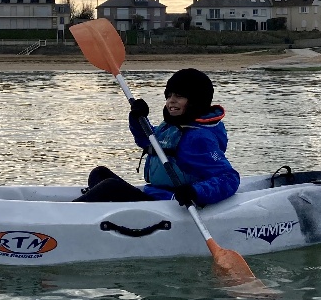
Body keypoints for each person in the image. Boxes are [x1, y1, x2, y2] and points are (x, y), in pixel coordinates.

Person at [75, 68, 240, 207]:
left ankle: (69, 215)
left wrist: (195, 192)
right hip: (154, 196)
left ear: (196, 101)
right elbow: (147, 141)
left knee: (110, 187)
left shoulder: (199, 138)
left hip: (171, 204)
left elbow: (229, 177)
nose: (171, 101)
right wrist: (138, 117)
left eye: (179, 96)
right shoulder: (172, 126)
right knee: (100, 174)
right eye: (169, 96)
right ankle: (86, 213)